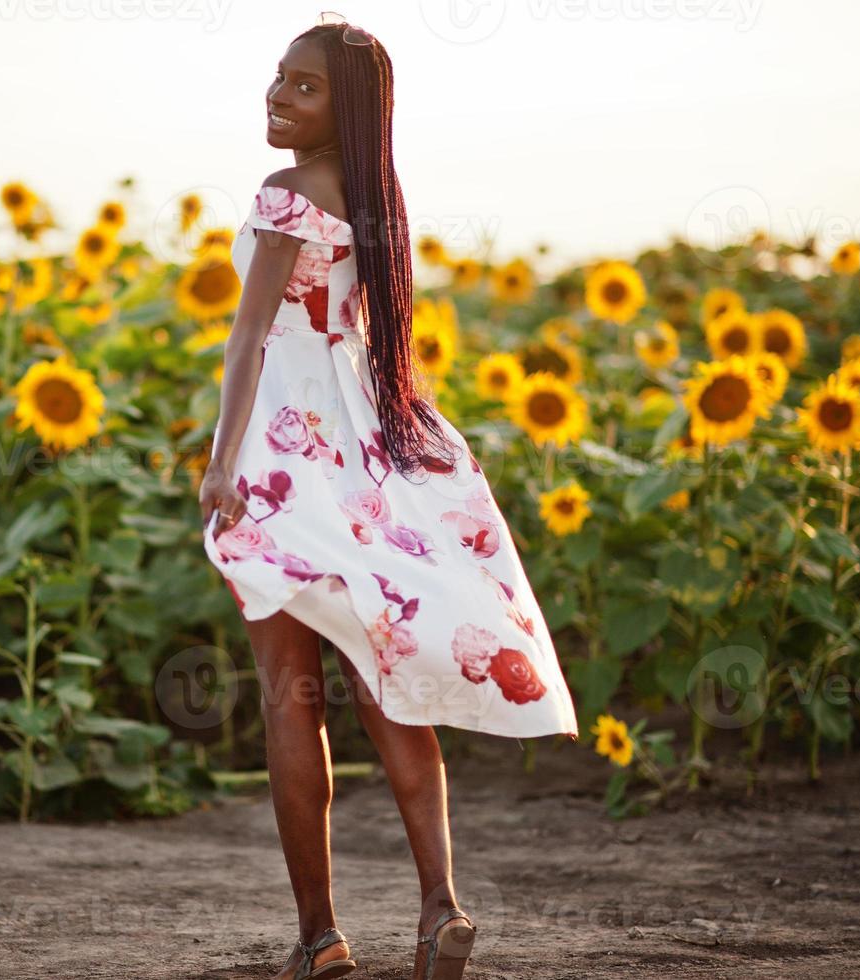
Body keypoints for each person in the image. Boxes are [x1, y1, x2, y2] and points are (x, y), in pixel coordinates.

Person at [198, 13, 579, 980]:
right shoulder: (375, 198)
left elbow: (247, 343)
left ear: (349, 106)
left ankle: (319, 937)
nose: (278, 95)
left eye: (305, 85)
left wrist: (218, 463)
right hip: (369, 441)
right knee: (389, 689)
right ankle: (438, 907)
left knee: (291, 699)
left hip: (288, 452)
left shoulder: (286, 195)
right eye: (278, 77)